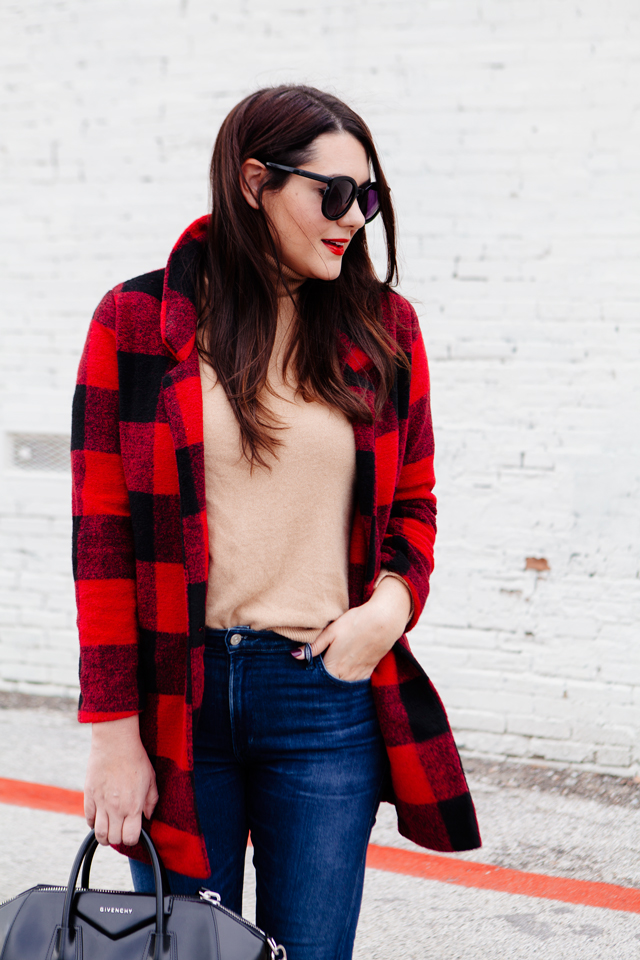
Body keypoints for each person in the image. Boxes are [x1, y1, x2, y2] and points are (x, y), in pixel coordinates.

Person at [72, 84, 480, 960]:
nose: (353, 220)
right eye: (334, 195)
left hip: (323, 698)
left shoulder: (384, 329)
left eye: (368, 198)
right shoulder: (135, 324)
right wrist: (113, 738)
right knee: (189, 951)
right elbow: (101, 541)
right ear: (255, 181)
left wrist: (388, 612)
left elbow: (414, 504)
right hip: (180, 700)